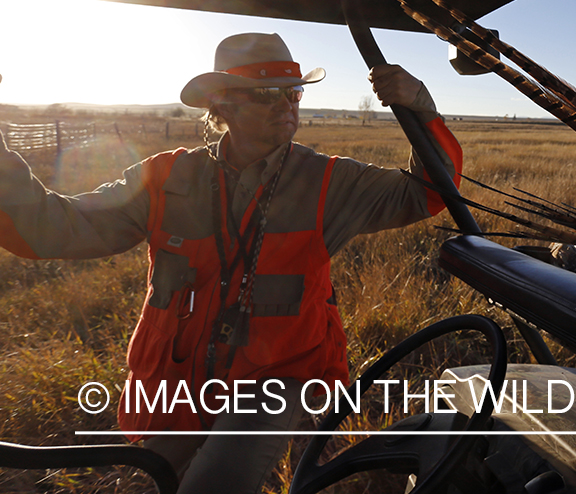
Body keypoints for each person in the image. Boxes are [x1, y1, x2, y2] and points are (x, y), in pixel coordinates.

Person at [0, 33, 462, 493]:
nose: (286, 104)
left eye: (293, 91)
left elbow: (427, 192)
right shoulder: (164, 178)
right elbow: (52, 228)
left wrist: (421, 108)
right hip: (179, 373)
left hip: (276, 375)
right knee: (154, 475)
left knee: (213, 484)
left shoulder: (329, 182)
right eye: (265, 94)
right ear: (220, 106)